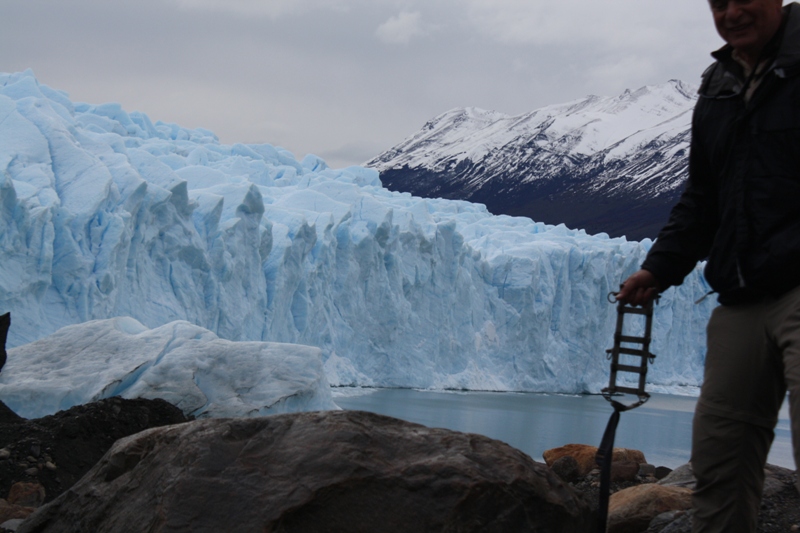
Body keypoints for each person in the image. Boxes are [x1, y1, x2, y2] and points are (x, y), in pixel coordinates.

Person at [616, 0, 800, 531]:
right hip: (742, 294)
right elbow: (704, 197)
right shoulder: (718, 85)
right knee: (720, 459)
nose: (732, 12)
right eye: (719, 2)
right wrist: (659, 268)